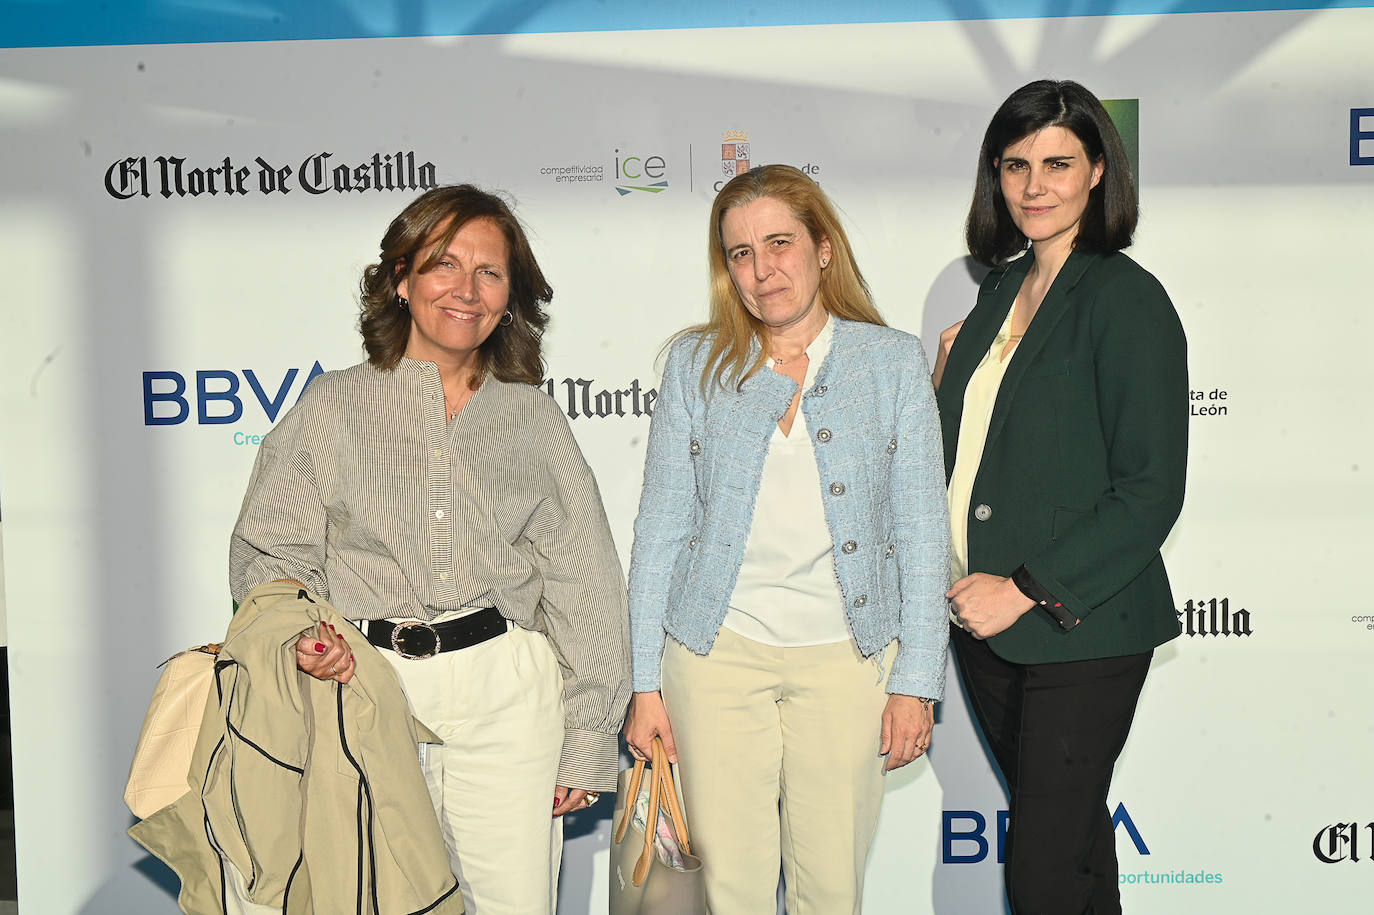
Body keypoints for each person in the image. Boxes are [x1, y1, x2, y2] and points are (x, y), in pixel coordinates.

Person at [229, 184, 631, 915]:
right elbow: (273, 548)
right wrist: (304, 635)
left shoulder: (532, 420)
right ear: (401, 279)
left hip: (507, 695)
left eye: (490, 272)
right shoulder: (334, 405)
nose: (467, 290)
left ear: (511, 298)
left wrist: (587, 731)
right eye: (444, 264)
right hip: (365, 685)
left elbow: (584, 580)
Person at [623, 164, 950, 914]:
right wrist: (644, 682)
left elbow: (924, 532)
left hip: (849, 657)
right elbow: (662, 529)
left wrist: (917, 679)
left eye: (779, 243)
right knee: (731, 888)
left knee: (830, 889)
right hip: (715, 656)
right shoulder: (695, 365)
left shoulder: (891, 362)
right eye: (740, 252)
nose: (762, 269)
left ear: (823, 247)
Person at [933, 80, 1188, 915]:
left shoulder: (1126, 299)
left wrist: (1026, 588)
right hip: (986, 630)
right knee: (1073, 855)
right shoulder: (996, 295)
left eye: (1057, 163)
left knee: (1040, 873)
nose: (1034, 186)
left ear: (1097, 172)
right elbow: (969, 458)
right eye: (1016, 165)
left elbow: (1149, 492)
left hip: (1080, 625)